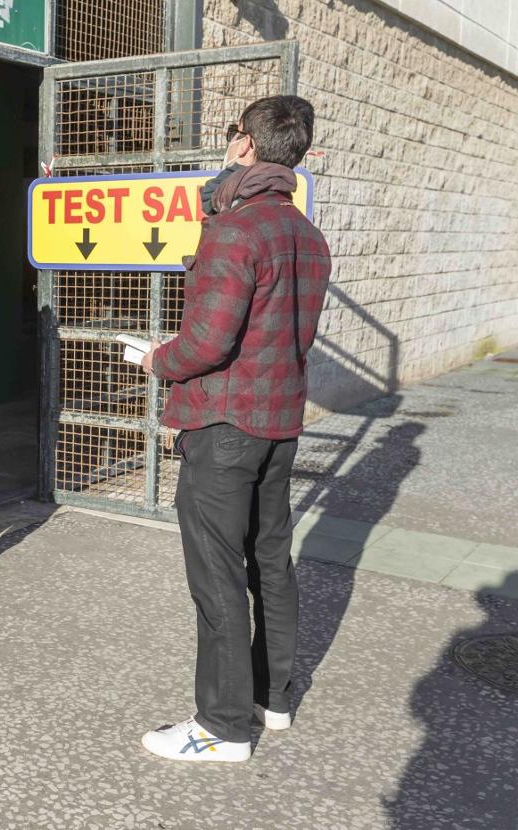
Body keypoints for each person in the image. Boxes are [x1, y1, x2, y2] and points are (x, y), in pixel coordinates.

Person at [139, 96, 332, 762]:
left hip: (224, 425)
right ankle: (271, 699)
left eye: (230, 134)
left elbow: (208, 342)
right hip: (279, 422)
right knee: (269, 562)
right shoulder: (308, 236)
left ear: (246, 144)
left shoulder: (234, 229)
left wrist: (155, 359)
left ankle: (221, 726)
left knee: (217, 575)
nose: (227, 145)